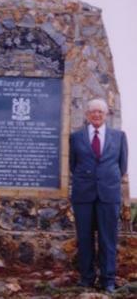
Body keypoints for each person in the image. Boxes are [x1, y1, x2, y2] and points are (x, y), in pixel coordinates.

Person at [69, 98, 128, 293]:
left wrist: (105, 179)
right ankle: (86, 278)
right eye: (93, 111)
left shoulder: (119, 137)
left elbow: (122, 166)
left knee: (108, 239)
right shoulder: (76, 137)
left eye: (100, 112)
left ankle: (108, 280)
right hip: (83, 195)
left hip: (108, 195)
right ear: (87, 114)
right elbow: (73, 165)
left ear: (106, 115)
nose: (96, 115)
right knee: (85, 238)